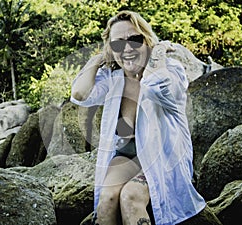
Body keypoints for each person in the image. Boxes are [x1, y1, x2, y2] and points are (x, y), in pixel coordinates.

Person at [71, 10, 206, 225]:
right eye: (117, 44)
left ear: (147, 40)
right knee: (106, 199)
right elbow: (79, 95)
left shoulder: (171, 71)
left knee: (130, 196)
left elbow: (154, 85)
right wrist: (98, 59)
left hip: (162, 156)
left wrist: (159, 50)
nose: (127, 49)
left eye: (135, 39)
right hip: (127, 156)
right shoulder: (112, 78)